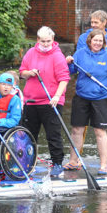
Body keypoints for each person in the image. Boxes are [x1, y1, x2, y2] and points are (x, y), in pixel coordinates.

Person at [65, 29, 107, 175]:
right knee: (76, 130)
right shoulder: (80, 54)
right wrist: (68, 63)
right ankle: (73, 161)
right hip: (81, 97)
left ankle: (103, 165)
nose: (97, 43)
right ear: (90, 41)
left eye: (100, 41)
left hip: (101, 99)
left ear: (103, 42)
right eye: (95, 40)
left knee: (100, 131)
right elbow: (71, 71)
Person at [75, 10, 107, 164]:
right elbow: (79, 59)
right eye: (91, 22)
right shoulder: (84, 38)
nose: (92, 25)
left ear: (104, 23)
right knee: (81, 125)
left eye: (96, 22)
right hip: (86, 86)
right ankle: (77, 157)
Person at [19, 26, 70, 177]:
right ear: (38, 40)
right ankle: (28, 162)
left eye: (48, 41)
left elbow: (64, 79)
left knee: (53, 134)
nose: (46, 44)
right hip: (31, 101)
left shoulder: (57, 56)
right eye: (43, 41)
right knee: (28, 134)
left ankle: (57, 163)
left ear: (52, 40)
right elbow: (22, 72)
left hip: (51, 102)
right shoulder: (31, 53)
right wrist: (29, 73)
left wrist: (56, 96)